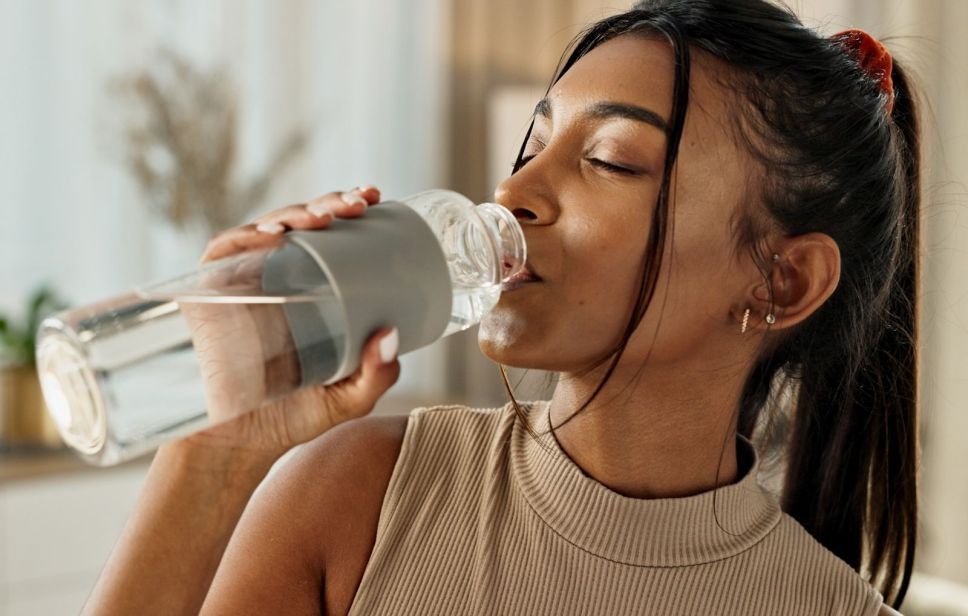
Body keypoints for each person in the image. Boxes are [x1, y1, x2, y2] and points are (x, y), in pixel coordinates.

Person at [82, 0, 919, 614]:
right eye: (534, 141)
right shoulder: (359, 496)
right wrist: (216, 456)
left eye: (611, 159)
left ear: (781, 282)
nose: (514, 190)